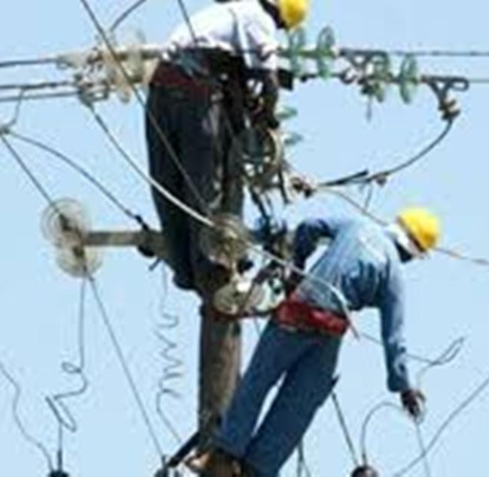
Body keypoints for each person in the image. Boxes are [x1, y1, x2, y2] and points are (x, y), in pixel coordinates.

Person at [189, 207, 441, 477]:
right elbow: (394, 335)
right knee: (299, 406)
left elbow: (310, 224)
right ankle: (256, 470)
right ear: (412, 252)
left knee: (258, 381)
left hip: (298, 311)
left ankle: (224, 458)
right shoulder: (393, 274)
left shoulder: (356, 225)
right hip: (329, 333)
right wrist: (404, 386)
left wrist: (298, 263)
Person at [146, 0, 308, 296]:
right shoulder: (259, 18)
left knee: (167, 183)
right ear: (282, 19)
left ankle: (184, 269)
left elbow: (234, 69)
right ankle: (214, 264)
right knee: (205, 182)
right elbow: (269, 79)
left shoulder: (228, 12)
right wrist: (268, 116)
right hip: (195, 95)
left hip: (161, 89)